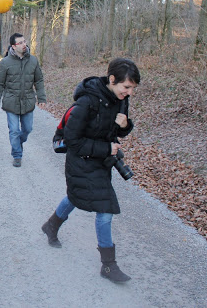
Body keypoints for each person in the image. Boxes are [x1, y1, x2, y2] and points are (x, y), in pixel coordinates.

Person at [41, 58, 141, 283]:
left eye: (132, 88)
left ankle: (51, 226)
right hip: (81, 161)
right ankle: (108, 265)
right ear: (112, 79)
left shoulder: (120, 99)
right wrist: (106, 148)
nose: (129, 92)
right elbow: (72, 141)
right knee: (105, 208)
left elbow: (115, 131)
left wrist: (125, 125)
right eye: (127, 87)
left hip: (100, 161)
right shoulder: (87, 102)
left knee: (77, 196)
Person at [0, 33, 46, 167]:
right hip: (11, 102)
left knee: (27, 129)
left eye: (24, 42)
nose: (24, 45)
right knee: (14, 130)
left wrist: (41, 98)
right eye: (20, 43)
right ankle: (17, 155)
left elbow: (39, 80)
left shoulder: (33, 60)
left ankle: (18, 142)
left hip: (28, 101)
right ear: (13, 46)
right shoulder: (5, 63)